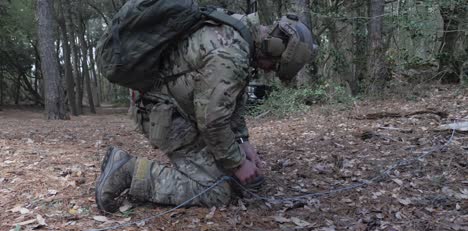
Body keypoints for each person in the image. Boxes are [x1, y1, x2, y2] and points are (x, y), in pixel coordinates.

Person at [95, 11, 317, 213]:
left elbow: (231, 102)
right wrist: (238, 163)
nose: (269, 71)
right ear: (275, 48)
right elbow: (212, 122)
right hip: (163, 113)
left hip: (177, 108)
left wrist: (242, 142)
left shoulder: (239, 31)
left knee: (229, 173)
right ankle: (129, 170)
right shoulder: (231, 54)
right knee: (216, 192)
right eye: (274, 65)